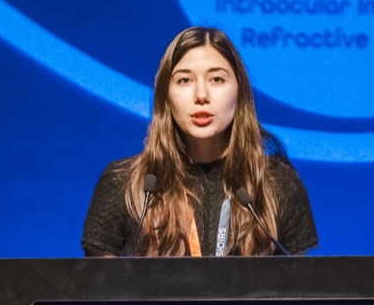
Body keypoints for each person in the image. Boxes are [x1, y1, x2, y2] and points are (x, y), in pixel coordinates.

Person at [82, 26, 318, 257]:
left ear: (240, 92)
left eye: (217, 79)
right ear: (166, 96)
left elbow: (299, 280)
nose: (201, 95)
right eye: (185, 80)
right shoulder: (125, 184)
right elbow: (99, 281)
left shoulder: (276, 184)